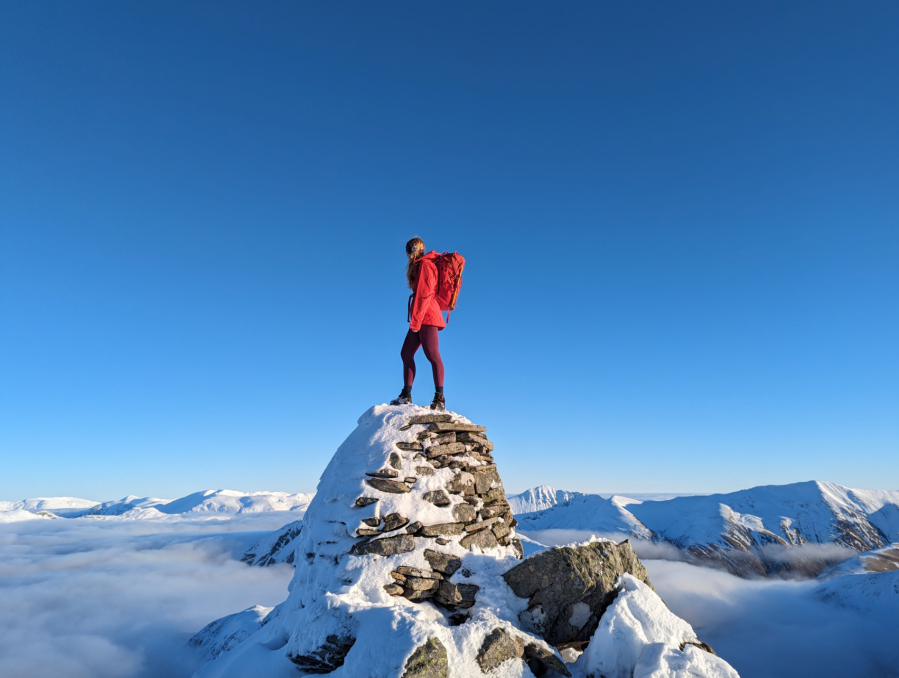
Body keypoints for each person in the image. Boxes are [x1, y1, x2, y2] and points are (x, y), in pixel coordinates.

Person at [390, 237, 446, 410]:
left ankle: (439, 398)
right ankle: (406, 394)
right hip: (421, 316)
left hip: (426, 317)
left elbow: (424, 295)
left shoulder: (425, 266)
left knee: (433, 355)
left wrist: (417, 321)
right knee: (406, 353)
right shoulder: (419, 265)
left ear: (408, 252)